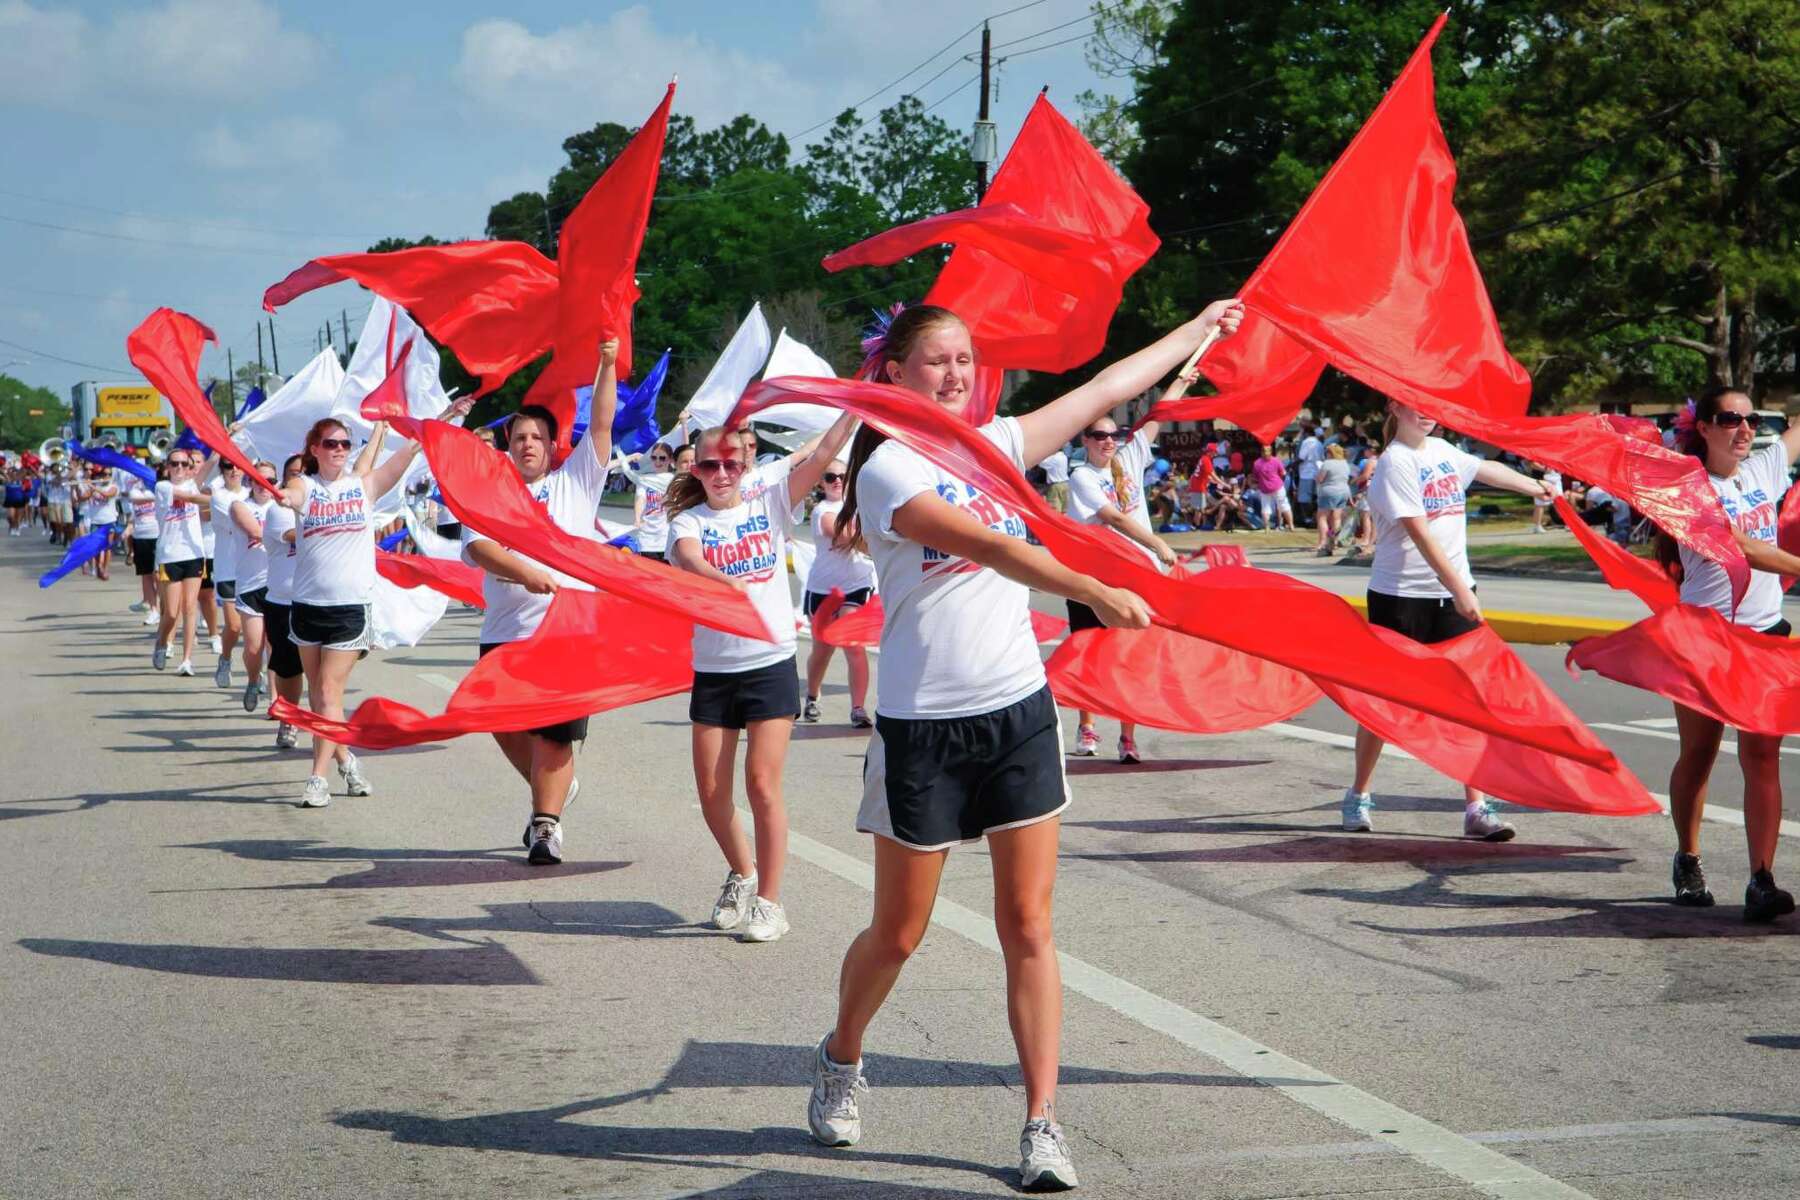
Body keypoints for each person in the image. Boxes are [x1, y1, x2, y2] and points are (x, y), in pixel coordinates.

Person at [805, 298, 1238, 1192]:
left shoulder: (997, 443)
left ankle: (1042, 1122)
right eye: (936, 361)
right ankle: (842, 1052)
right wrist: (1092, 586)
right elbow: (988, 546)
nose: (955, 374)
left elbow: (1105, 389)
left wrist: (1198, 328)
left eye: (965, 359)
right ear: (895, 373)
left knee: (1030, 924)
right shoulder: (887, 470)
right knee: (899, 932)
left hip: (1016, 714)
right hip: (923, 727)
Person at [668, 412, 857, 943]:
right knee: (712, 793)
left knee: (761, 784)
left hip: (769, 661)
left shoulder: (770, 502)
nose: (722, 473)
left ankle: (770, 903)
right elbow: (687, 558)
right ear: (697, 469)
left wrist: (856, 406)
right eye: (711, 465)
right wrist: (720, 581)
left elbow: (822, 454)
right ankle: (742, 872)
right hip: (715, 668)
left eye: (731, 464)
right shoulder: (689, 522)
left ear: (745, 463)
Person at [1340, 401, 1552, 842]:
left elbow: (1487, 470)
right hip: (1401, 598)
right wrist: (1459, 589)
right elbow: (1419, 533)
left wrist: (1536, 487)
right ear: (1394, 406)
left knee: (1469, 702)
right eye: (1414, 405)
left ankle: (1476, 807)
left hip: (1452, 595)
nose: (1426, 413)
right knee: (1386, 702)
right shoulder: (1395, 462)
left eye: (1430, 405)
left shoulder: (1442, 450)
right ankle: (1359, 794)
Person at [461, 341, 619, 865]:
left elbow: (602, 425)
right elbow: (478, 548)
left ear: (553, 446)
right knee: (500, 723)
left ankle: (545, 826)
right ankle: (553, 786)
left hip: (565, 633)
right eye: (519, 437)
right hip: (506, 629)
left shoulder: (576, 482)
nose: (528, 444)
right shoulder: (490, 494)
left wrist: (605, 364)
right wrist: (525, 572)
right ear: (507, 445)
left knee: (553, 735)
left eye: (537, 437)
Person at [1656, 387, 1800, 921]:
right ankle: (1688, 858)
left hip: (1765, 636)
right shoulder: (1688, 490)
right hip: (1706, 641)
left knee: (1762, 757)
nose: (1744, 429)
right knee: (1700, 753)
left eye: (1751, 419)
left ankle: (1762, 878)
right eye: (1730, 419)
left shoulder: (1762, 470)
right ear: (1703, 427)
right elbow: (1743, 547)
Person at [281, 407, 465, 809]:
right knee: (319, 697)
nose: (339, 449)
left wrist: (446, 416)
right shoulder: (305, 486)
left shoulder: (363, 487)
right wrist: (284, 496)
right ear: (315, 449)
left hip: (350, 609)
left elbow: (409, 451)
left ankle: (317, 779)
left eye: (345, 443)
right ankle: (347, 760)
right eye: (330, 443)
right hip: (307, 607)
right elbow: (292, 494)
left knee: (328, 690)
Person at [1064, 407, 1178, 763]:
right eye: (1099, 435)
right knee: (1088, 654)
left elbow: (1159, 416)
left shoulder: (1129, 461)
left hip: (1133, 578)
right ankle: (1087, 727)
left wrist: (1181, 383)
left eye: (1114, 435)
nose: (1108, 441)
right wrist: (1156, 543)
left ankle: (1128, 738)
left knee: (1131, 659)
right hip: (1091, 580)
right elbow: (1112, 517)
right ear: (1085, 441)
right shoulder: (1082, 476)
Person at [802, 458, 877, 727]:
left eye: (843, 477)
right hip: (823, 590)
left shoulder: (862, 506)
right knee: (822, 651)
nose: (837, 482)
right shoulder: (822, 511)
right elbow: (843, 534)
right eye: (830, 477)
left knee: (854, 646)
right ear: (821, 483)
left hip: (856, 586)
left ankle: (858, 709)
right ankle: (812, 696)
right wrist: (881, 547)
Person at [152, 448, 218, 676]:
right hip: (170, 555)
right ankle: (162, 641)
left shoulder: (193, 484)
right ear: (167, 467)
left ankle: (187, 659)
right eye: (174, 463)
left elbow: (212, 461)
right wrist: (219, 499)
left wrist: (225, 439)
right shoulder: (163, 487)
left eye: (184, 464)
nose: (179, 467)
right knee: (171, 612)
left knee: (190, 608)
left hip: (194, 554)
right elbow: (190, 498)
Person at [262, 455, 307, 749]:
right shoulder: (277, 508)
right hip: (283, 601)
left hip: (316, 601)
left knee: (323, 672)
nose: (299, 478)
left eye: (304, 473)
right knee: (289, 669)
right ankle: (289, 719)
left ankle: (323, 727)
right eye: (293, 473)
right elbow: (296, 535)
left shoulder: (319, 502)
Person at [230, 462, 279, 714]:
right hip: (250, 585)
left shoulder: (281, 509)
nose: (264, 485)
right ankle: (252, 680)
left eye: (270, 481)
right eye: (258, 480)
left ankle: (275, 700)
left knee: (274, 645)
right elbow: (255, 531)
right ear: (250, 481)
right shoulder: (240, 506)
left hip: (276, 585)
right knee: (253, 647)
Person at [208, 462, 249, 688]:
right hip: (228, 570)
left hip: (254, 570)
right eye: (228, 466)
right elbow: (242, 523)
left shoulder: (251, 494)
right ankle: (225, 659)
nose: (234, 470)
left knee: (258, 632)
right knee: (234, 626)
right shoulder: (219, 497)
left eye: (237, 466)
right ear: (222, 471)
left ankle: (257, 675)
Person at [618, 440, 681, 561]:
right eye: (654, 457)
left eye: (662, 458)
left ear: (670, 460)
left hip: (666, 537)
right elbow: (640, 499)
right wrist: (637, 519)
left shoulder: (674, 480)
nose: (657, 461)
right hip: (646, 537)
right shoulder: (645, 479)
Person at [124, 472, 161, 622]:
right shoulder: (135, 491)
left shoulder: (159, 488)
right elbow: (135, 501)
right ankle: (153, 609)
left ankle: (164, 607)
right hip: (141, 537)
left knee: (158, 575)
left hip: (157, 535)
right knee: (146, 575)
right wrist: (128, 529)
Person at [1312, 444, 1353, 555]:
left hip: (1329, 491)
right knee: (1336, 518)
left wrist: (1316, 477)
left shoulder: (1327, 463)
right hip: (1343, 492)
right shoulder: (1345, 463)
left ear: (1330, 453)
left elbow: (1320, 479)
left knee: (1322, 517)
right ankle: (1334, 542)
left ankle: (1323, 542)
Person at [1250, 444, 1289, 532]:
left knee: (1269, 507)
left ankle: (1271, 526)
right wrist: (1280, 482)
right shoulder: (1275, 460)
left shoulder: (1258, 463)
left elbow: (1255, 477)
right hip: (1276, 485)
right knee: (1280, 506)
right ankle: (1284, 525)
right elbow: (1283, 474)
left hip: (1268, 487)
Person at [1296, 421, 1324, 523]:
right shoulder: (1319, 443)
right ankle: (1315, 517)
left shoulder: (1306, 442)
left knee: (1304, 498)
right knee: (1315, 497)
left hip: (1306, 473)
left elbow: (1301, 457)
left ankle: (1307, 519)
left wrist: (1292, 465)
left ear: (1306, 433)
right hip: (1317, 472)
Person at [1529, 466, 1563, 533]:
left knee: (1560, 501)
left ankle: (1565, 522)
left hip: (1555, 478)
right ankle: (1537, 526)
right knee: (1540, 503)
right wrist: (1545, 469)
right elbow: (1532, 464)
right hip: (1541, 479)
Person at [1038, 446, 1071, 513]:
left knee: (1054, 510)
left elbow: (1041, 464)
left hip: (1055, 486)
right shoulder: (1063, 456)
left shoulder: (1054, 458)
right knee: (1064, 510)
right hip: (1065, 484)